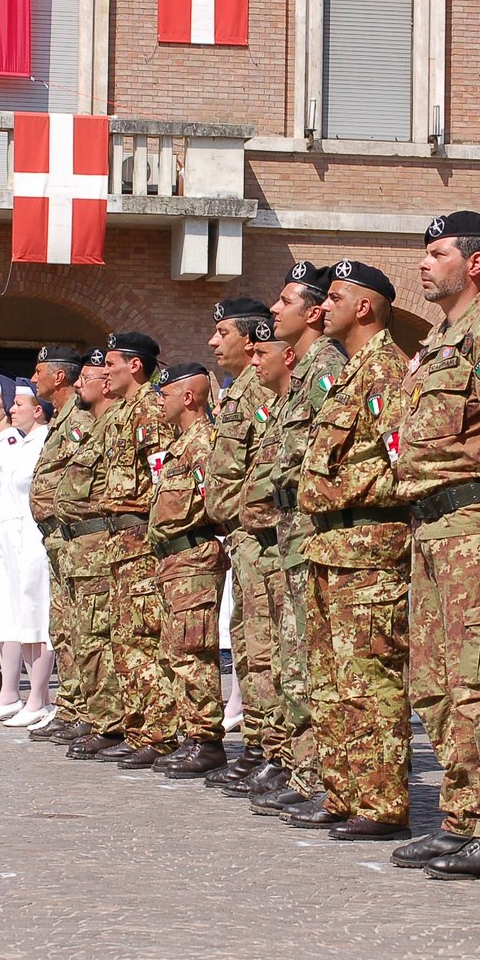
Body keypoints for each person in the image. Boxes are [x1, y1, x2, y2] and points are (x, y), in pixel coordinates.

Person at [390, 211, 480, 881]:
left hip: (478, 528)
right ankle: (463, 816)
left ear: (473, 263)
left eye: (437, 252)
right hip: (430, 530)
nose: (424, 264)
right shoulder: (440, 339)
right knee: (437, 684)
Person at [292, 261, 412, 838]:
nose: (324, 306)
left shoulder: (385, 372)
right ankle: (344, 790)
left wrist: (335, 490)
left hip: (368, 546)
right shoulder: (347, 374)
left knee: (370, 678)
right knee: (332, 679)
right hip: (330, 544)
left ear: (364, 307)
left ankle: (382, 803)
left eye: (335, 296)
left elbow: (402, 464)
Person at [252, 263, 349, 815]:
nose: (274, 310)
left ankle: (318, 773)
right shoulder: (305, 373)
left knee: (309, 657)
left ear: (312, 312)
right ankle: (305, 766)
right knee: (294, 656)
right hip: (292, 533)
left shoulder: (327, 369)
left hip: (313, 533)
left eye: (284, 301)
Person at [200, 298, 280, 786]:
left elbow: (266, 462)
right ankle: (259, 742)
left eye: (223, 331)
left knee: (264, 646)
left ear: (251, 339)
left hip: (258, 533)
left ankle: (271, 747)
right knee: (248, 645)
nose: (214, 340)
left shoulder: (259, 389)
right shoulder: (240, 389)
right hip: (240, 534)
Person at [89, 334, 177, 768]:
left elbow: (161, 478)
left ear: (136, 366)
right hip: (118, 542)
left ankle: (158, 732)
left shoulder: (152, 410)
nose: (106, 371)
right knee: (124, 639)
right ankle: (138, 725)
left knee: (143, 638)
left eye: (112, 363)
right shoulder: (122, 412)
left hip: (142, 539)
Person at [146, 362, 231, 778]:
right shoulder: (180, 446)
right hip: (173, 561)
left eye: (166, 394)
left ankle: (207, 741)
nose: (159, 401)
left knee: (194, 653)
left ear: (189, 398)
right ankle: (190, 735)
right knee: (175, 652)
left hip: (194, 558)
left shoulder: (202, 444)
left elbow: (214, 504)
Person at [51, 352, 129, 755]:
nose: (79, 384)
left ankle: (109, 723)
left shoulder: (116, 425)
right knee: (79, 636)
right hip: (77, 547)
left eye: (89, 377)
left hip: (98, 546)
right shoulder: (97, 425)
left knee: (98, 636)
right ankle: (94, 716)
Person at [0, 376, 55, 727]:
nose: (11, 409)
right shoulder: (24, 443)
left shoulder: (44, 442)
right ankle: (32, 697)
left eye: (18, 405)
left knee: (37, 616)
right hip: (15, 538)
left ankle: (38, 696)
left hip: (35, 538)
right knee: (21, 616)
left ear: (38, 411)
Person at [26, 347, 95, 738]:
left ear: (58, 377)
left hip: (78, 541)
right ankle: (71, 706)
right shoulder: (61, 421)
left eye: (39, 372)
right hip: (57, 540)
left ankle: (86, 710)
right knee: (65, 627)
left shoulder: (81, 420)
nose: (33, 379)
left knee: (82, 627)